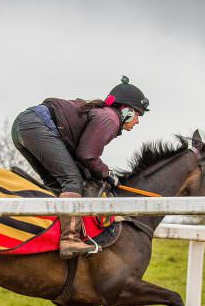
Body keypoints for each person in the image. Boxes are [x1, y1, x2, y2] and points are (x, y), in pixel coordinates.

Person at [11, 76, 150, 258]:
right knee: (72, 180)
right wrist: (107, 174)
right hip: (37, 125)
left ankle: (52, 234)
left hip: (23, 126)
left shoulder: (102, 114)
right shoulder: (110, 119)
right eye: (138, 115)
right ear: (127, 111)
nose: (137, 121)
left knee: (58, 182)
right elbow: (87, 154)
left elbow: (82, 157)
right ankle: (69, 240)